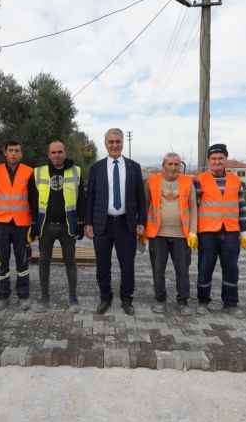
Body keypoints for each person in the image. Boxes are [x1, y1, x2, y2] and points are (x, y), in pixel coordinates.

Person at [85, 128, 146, 315]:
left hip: (126, 224)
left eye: (117, 141)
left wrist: (141, 221)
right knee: (103, 265)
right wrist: (88, 223)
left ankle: (127, 299)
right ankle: (106, 297)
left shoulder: (134, 167)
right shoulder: (96, 168)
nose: (114, 145)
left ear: (122, 143)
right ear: (105, 144)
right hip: (102, 224)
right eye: (111, 142)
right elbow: (90, 198)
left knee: (127, 264)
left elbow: (141, 198)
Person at [0, 140, 38, 311]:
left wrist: (35, 223)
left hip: (22, 223)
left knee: (22, 261)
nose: (14, 153)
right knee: (2, 260)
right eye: (11, 150)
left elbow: (33, 199)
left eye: (17, 150)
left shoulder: (28, 172)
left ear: (21, 154)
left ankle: (23, 295)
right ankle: (3, 295)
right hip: (0, 223)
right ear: (5, 153)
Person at [195, 143, 246, 316]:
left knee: (231, 268)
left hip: (231, 232)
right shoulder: (199, 180)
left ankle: (231, 303)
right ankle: (203, 301)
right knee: (205, 267)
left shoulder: (236, 181)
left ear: (226, 159)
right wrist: (192, 231)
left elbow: (241, 207)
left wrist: (244, 231)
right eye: (213, 158)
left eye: (220, 158)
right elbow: (192, 207)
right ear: (209, 161)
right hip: (207, 232)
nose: (217, 161)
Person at [32, 140, 86, 313]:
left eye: (60, 152)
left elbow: (81, 199)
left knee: (70, 262)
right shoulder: (38, 172)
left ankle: (73, 298)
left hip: (67, 226)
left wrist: (81, 222)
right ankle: (44, 299)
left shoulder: (76, 171)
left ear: (65, 152)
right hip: (45, 226)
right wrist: (33, 224)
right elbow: (32, 200)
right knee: (43, 263)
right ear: (49, 154)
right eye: (53, 152)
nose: (57, 155)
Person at [144, 153, 198, 316]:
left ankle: (183, 301)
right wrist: (141, 228)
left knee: (182, 270)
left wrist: (193, 232)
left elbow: (194, 208)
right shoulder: (152, 181)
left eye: (176, 164)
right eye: (170, 164)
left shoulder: (188, 182)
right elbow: (145, 205)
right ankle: (160, 299)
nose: (174, 167)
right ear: (163, 166)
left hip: (181, 235)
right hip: (157, 234)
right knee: (158, 269)